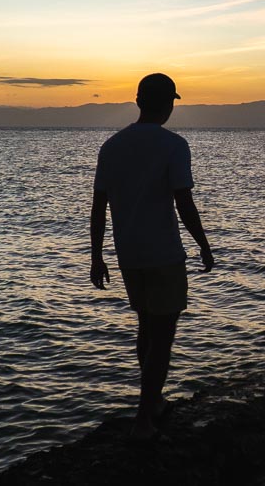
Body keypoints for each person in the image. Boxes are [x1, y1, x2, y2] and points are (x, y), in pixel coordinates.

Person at [90, 72, 215, 441]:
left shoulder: (112, 146)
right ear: (166, 104)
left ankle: (153, 401)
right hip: (163, 254)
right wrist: (204, 245)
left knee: (147, 328)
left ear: (139, 101)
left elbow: (99, 206)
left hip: (129, 254)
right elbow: (184, 203)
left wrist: (97, 257)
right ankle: (145, 419)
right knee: (162, 337)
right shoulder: (173, 145)